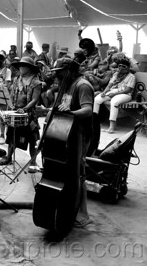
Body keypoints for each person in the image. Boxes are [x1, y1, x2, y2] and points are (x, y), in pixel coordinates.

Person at [51, 56, 94, 228]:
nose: (57, 76)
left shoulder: (83, 85)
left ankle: (83, 214)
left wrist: (71, 112)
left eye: (60, 72)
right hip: (67, 133)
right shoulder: (67, 84)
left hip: (80, 135)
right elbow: (63, 107)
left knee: (79, 172)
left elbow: (88, 110)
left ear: (69, 70)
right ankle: (70, 206)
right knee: (69, 172)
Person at [0, 57, 41, 169]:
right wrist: (9, 107)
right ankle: (8, 157)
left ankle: (33, 162)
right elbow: (11, 95)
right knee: (11, 136)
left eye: (23, 66)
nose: (20, 68)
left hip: (29, 114)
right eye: (20, 66)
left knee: (32, 140)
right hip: (15, 111)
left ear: (29, 68)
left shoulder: (36, 82)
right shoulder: (17, 80)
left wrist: (25, 109)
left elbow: (35, 99)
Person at [93, 57, 135, 133]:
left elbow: (128, 90)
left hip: (125, 94)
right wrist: (104, 92)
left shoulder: (131, 76)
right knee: (97, 99)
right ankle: (94, 122)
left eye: (124, 66)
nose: (121, 68)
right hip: (114, 92)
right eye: (120, 66)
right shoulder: (116, 74)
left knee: (114, 102)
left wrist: (114, 94)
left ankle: (112, 127)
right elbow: (109, 85)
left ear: (128, 68)